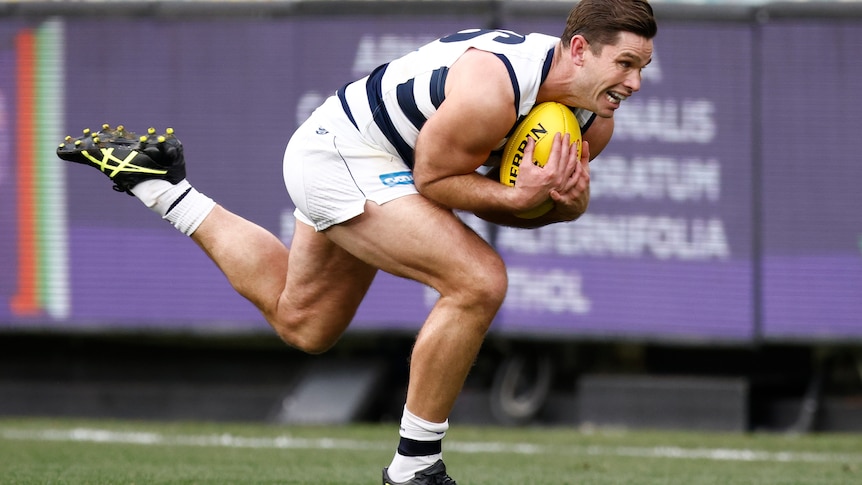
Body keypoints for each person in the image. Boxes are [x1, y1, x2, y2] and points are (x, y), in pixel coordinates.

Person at [57, 0, 657, 483]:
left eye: (642, 69)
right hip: (341, 154)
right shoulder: (494, 88)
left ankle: (160, 187)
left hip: (380, 162)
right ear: (579, 48)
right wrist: (526, 201)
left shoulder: (591, 120)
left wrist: (561, 209)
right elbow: (436, 181)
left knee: (305, 323)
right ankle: (415, 467)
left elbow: (516, 205)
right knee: (478, 281)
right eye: (625, 64)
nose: (633, 82)